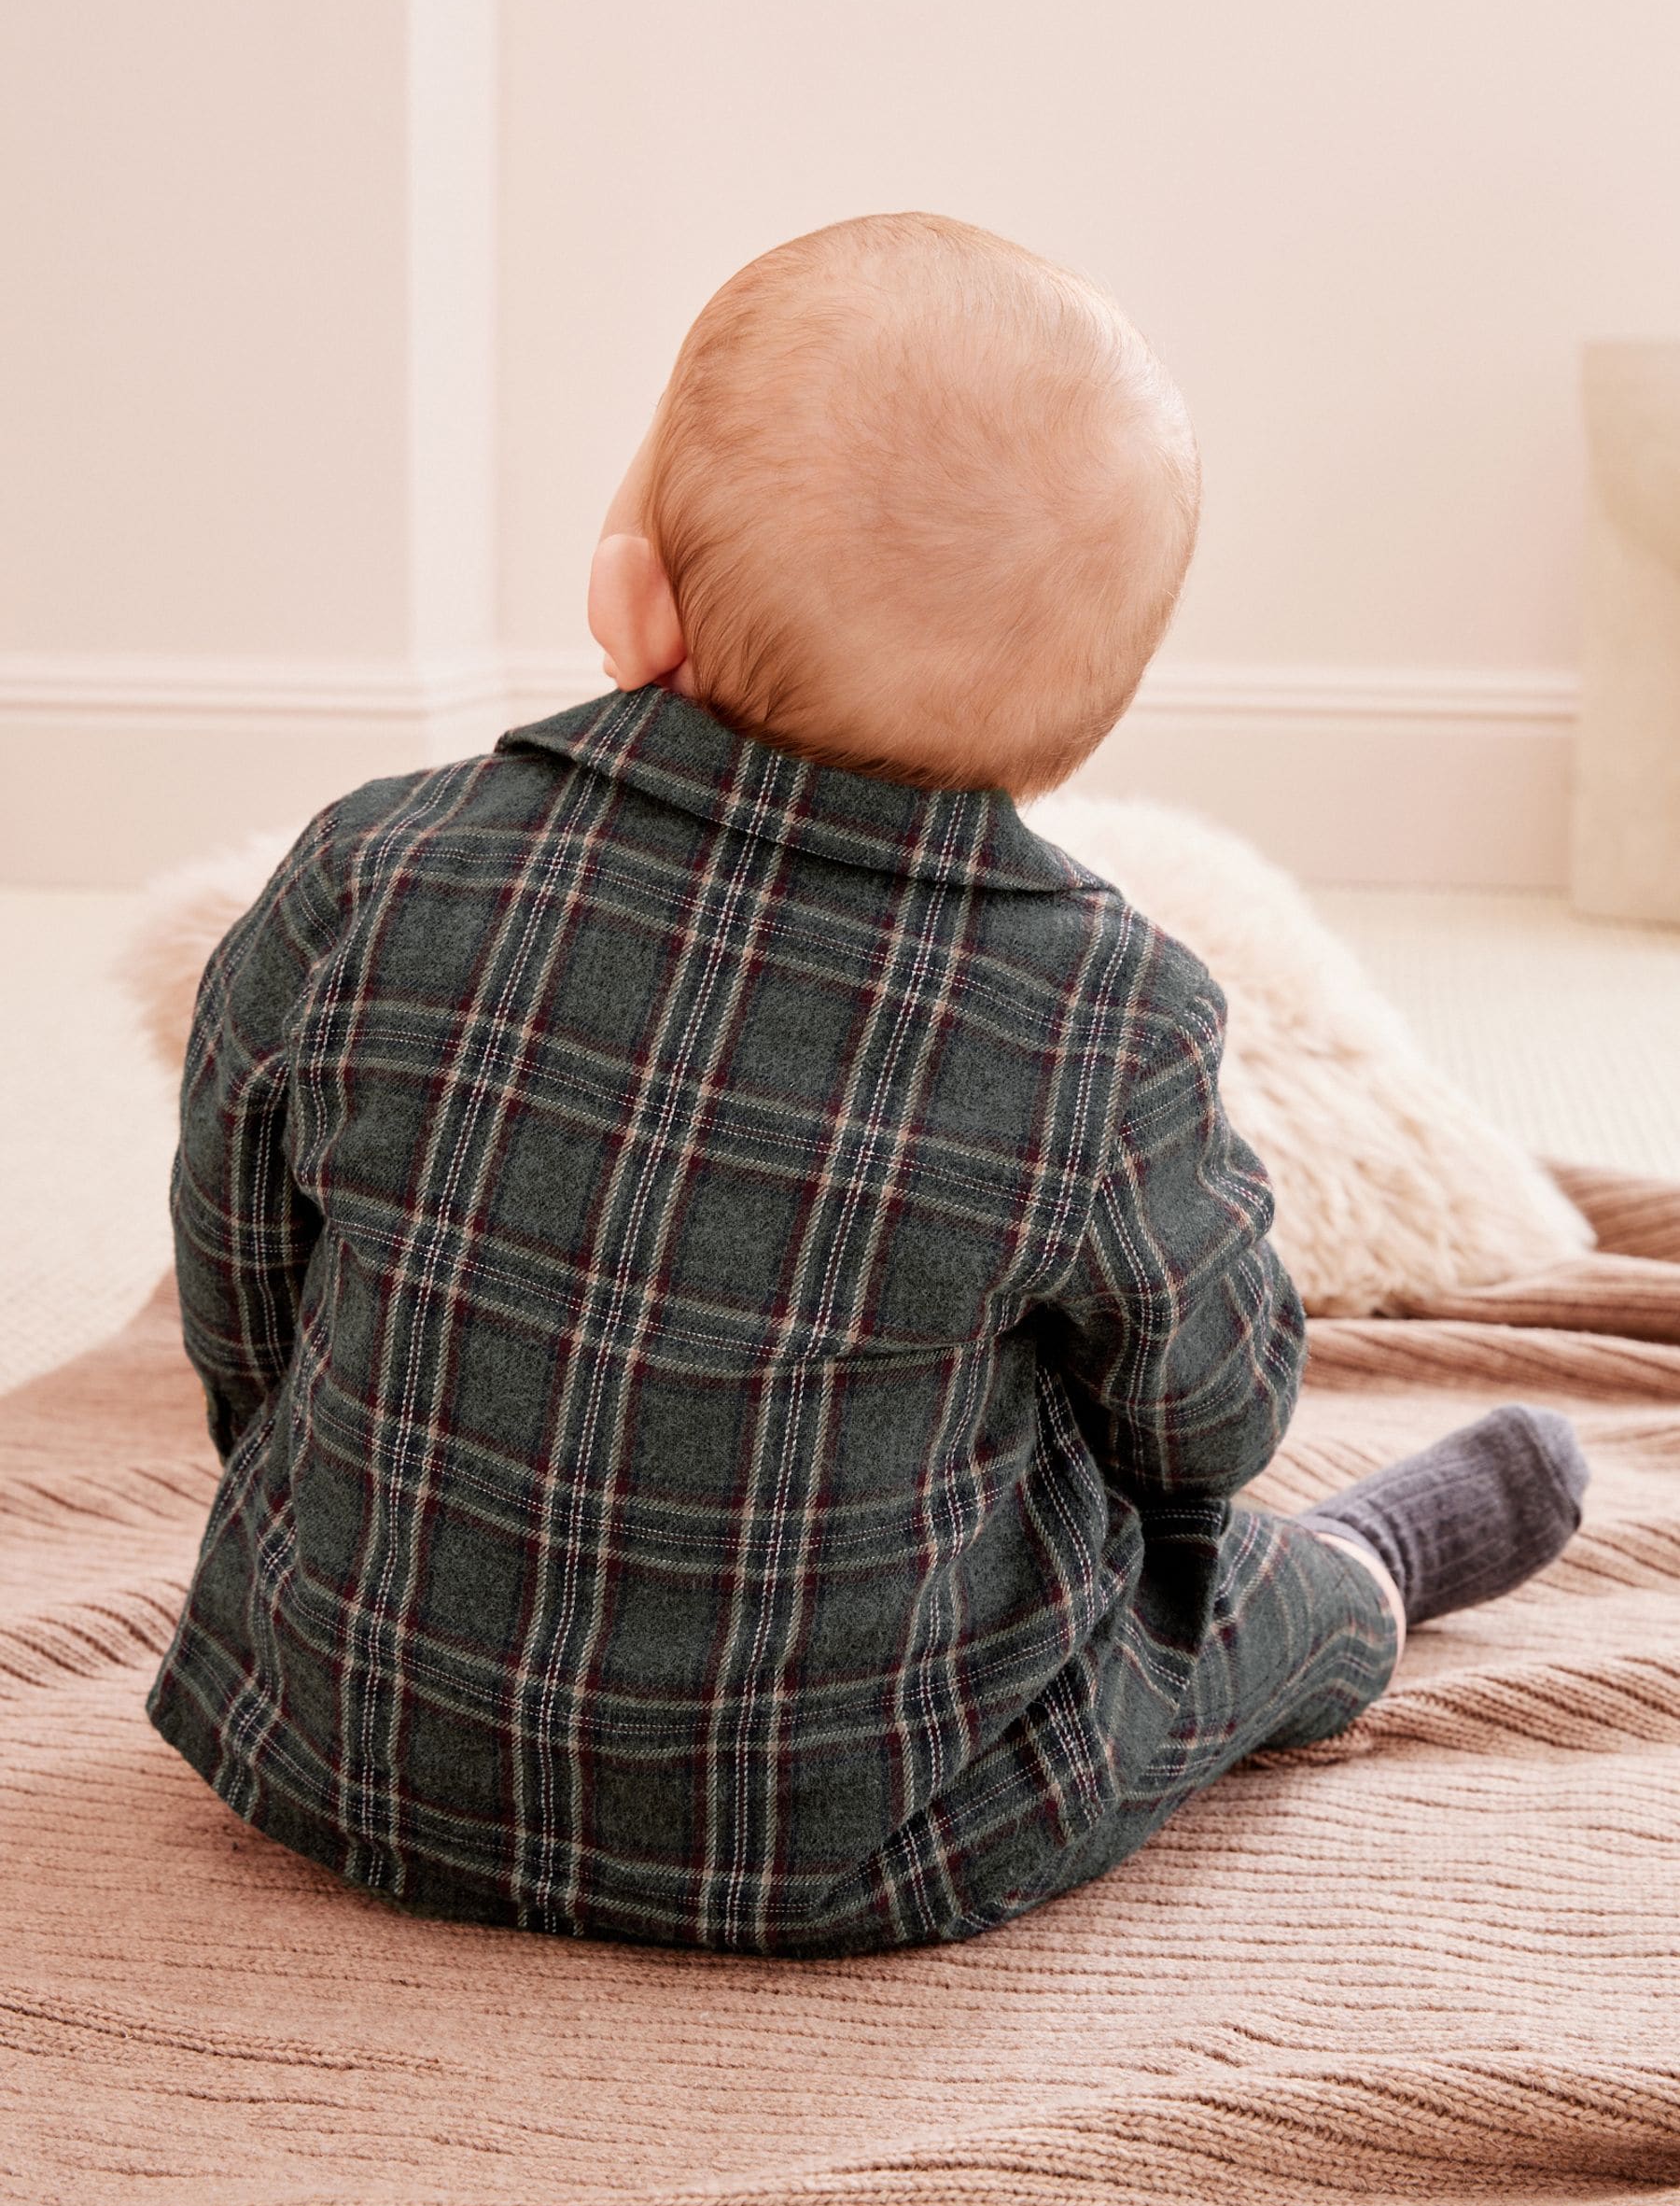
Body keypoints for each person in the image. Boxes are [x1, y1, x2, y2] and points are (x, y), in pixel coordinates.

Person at [147, 213, 1587, 1955]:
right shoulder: (1102, 1021)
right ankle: (1372, 1577)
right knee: (1212, 1619)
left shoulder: (373, 868)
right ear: (1078, 731)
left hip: (318, 1722)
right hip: (851, 1830)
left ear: (627, 594)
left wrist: (299, 1462)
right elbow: (1212, 1413)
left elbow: (235, 1227)